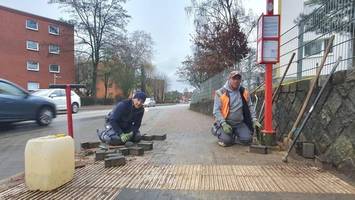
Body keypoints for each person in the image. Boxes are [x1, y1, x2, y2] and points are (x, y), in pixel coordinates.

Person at [212, 71, 261, 147]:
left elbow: (250, 106)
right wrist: (223, 124)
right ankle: (217, 130)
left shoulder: (244, 91)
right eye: (234, 78)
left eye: (238, 79)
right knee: (227, 141)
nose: (236, 81)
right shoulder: (220, 92)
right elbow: (216, 111)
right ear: (229, 79)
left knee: (248, 140)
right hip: (225, 123)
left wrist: (254, 119)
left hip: (239, 124)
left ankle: (234, 135)